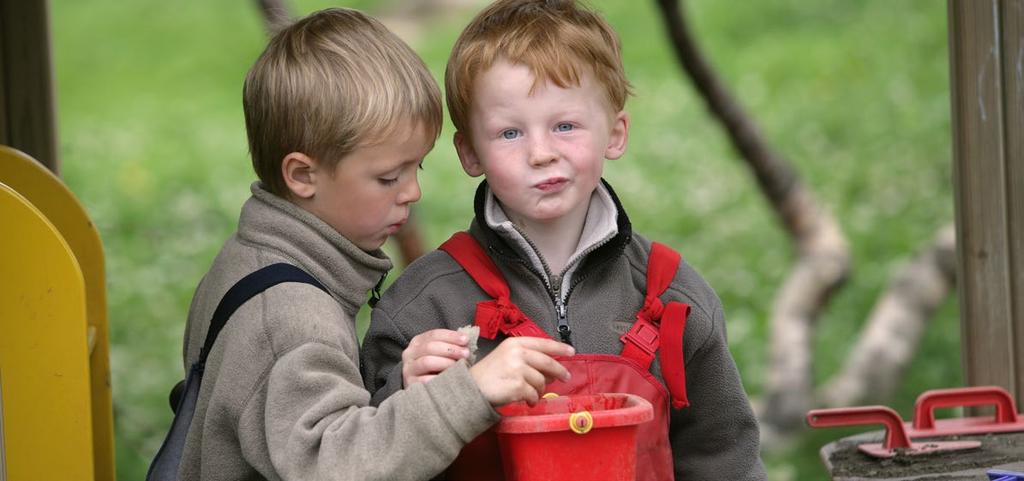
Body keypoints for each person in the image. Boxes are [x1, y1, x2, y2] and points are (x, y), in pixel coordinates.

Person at [360, 1, 767, 479]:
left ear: (614, 135)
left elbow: (725, 459)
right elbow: (363, 456)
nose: (541, 153)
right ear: (470, 152)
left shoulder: (676, 300)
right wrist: (406, 390)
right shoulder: (424, 307)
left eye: (565, 125)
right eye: (509, 132)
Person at [175, 7, 574, 481]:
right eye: (388, 177)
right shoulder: (290, 316)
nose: (412, 192)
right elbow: (335, 462)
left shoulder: (248, 259)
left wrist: (406, 387)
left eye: (415, 169)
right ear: (303, 175)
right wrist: (471, 392)